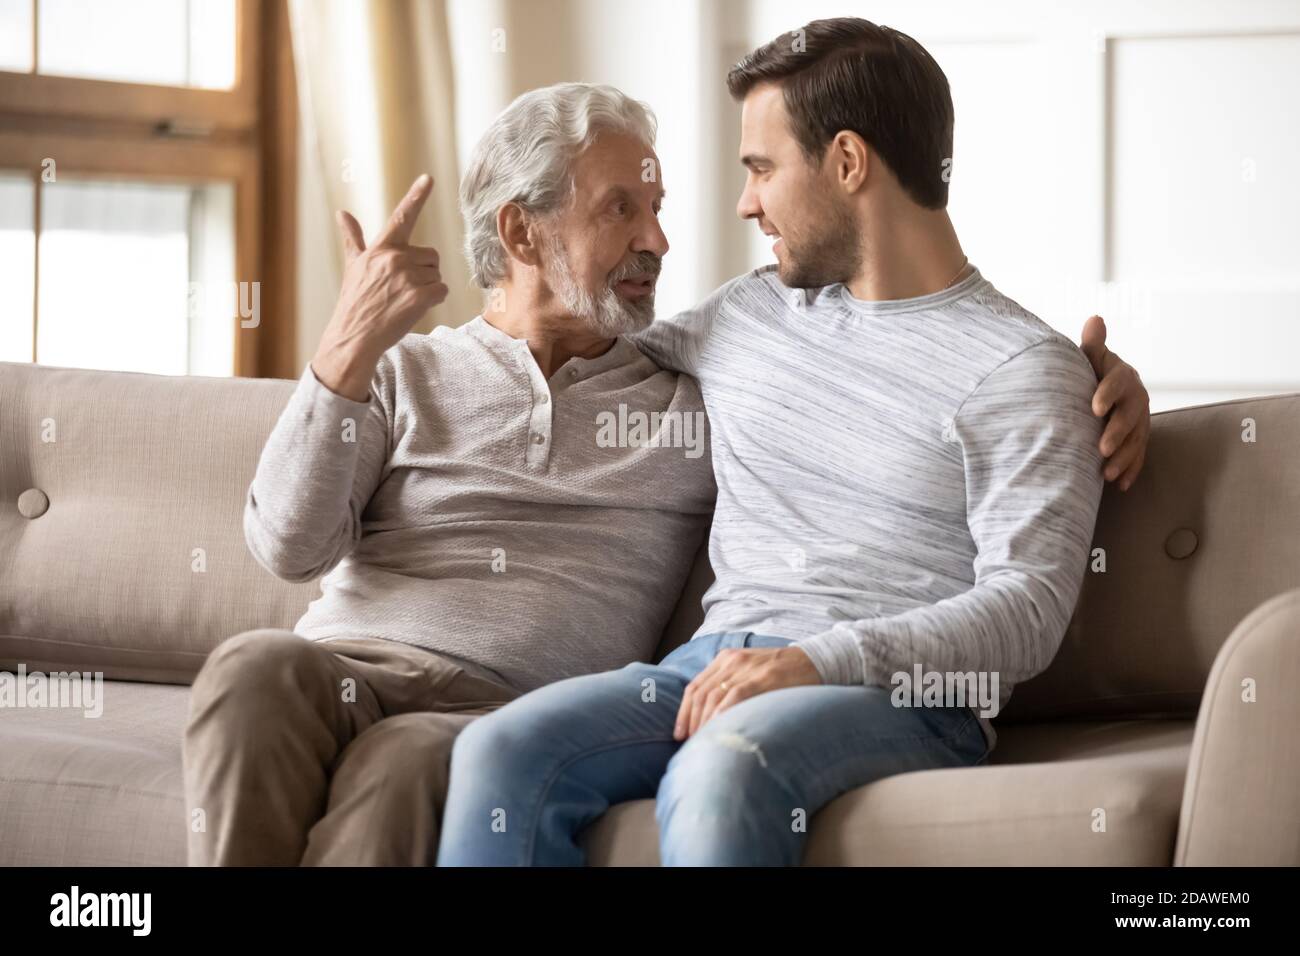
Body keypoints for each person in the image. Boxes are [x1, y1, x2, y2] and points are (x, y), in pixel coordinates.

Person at [436, 18, 1149, 867]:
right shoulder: (748, 315)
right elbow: (582, 329)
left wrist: (815, 661)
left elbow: (1027, 614)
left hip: (898, 694)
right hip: (712, 665)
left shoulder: (1022, 369)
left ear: (847, 163)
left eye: (761, 169)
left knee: (723, 769)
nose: (745, 202)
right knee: (500, 752)